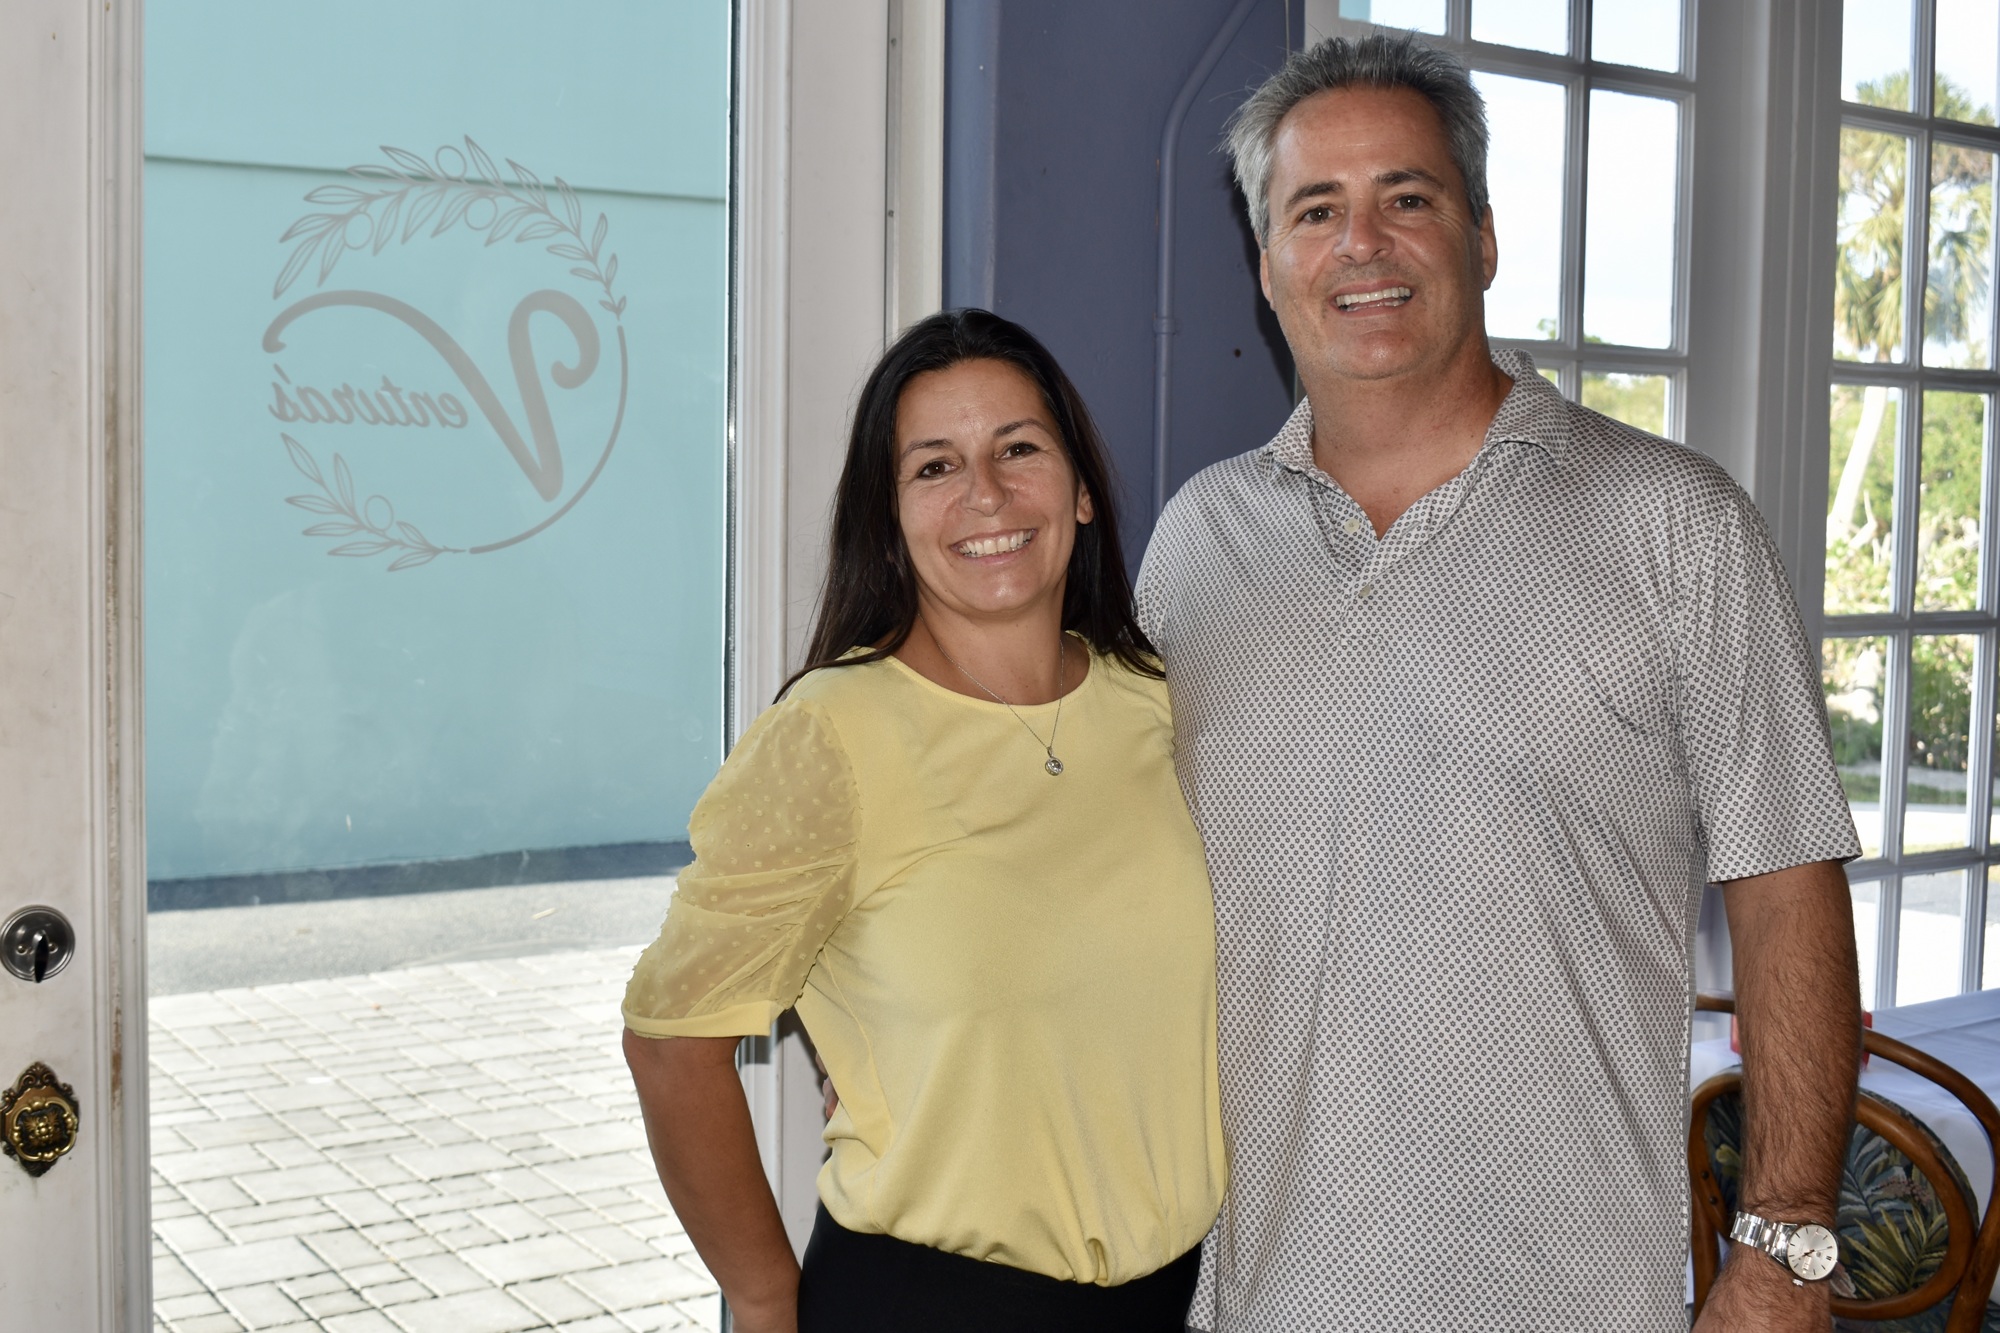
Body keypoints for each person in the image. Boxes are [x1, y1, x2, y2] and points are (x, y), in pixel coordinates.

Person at [1136, 32, 1861, 1333]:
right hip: (1256, 1299)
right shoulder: (1199, 541)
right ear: (1267, 266)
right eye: (1317, 210)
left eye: (1405, 198)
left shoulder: (1672, 522)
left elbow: (1788, 886)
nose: (1363, 244)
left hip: (1573, 1298)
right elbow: (1097, 863)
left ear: (1481, 236)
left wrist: (1785, 1240)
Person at [621, 309, 1227, 1333]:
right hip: (930, 1301)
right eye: (933, 466)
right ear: (887, 518)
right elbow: (672, 1045)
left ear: (1080, 489)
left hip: (1178, 1299)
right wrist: (767, 1299)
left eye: (1018, 449)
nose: (984, 493)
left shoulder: (1164, 702)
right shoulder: (830, 736)